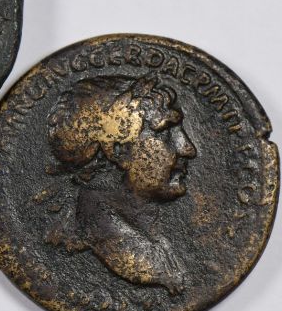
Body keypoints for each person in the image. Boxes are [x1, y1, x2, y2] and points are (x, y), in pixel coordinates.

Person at [45, 75, 197, 295]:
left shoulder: (154, 242)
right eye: (165, 133)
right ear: (118, 151)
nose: (188, 149)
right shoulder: (130, 253)